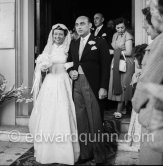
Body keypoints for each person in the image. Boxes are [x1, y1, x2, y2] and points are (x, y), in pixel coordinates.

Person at [28, 24, 80, 165]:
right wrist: (43, 66)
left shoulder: (70, 47)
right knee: (48, 113)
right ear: (52, 35)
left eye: (60, 34)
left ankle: (64, 152)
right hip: (50, 82)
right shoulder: (48, 48)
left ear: (65, 35)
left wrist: (68, 66)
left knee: (63, 111)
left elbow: (76, 62)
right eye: (55, 34)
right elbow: (42, 66)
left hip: (63, 81)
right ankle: (48, 151)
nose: (57, 37)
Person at [67, 16, 111, 164]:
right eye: (77, 24)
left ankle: (99, 156)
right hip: (77, 84)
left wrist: (104, 86)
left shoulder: (100, 42)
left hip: (92, 84)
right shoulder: (74, 43)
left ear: (90, 25)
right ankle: (85, 153)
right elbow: (72, 63)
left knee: (95, 120)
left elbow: (106, 66)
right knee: (81, 120)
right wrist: (71, 71)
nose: (79, 27)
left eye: (82, 24)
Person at [132, 0, 163, 164]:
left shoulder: (160, 43)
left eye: (147, 24)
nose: (144, 27)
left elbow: (147, 83)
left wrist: (136, 104)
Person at [108, 17, 134, 119]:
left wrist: (114, 52)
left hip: (126, 62)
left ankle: (119, 110)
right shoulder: (115, 35)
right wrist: (117, 52)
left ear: (125, 26)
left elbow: (128, 52)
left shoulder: (128, 36)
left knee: (124, 85)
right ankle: (124, 108)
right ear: (115, 27)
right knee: (116, 83)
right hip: (117, 60)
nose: (120, 30)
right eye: (118, 28)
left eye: (122, 27)